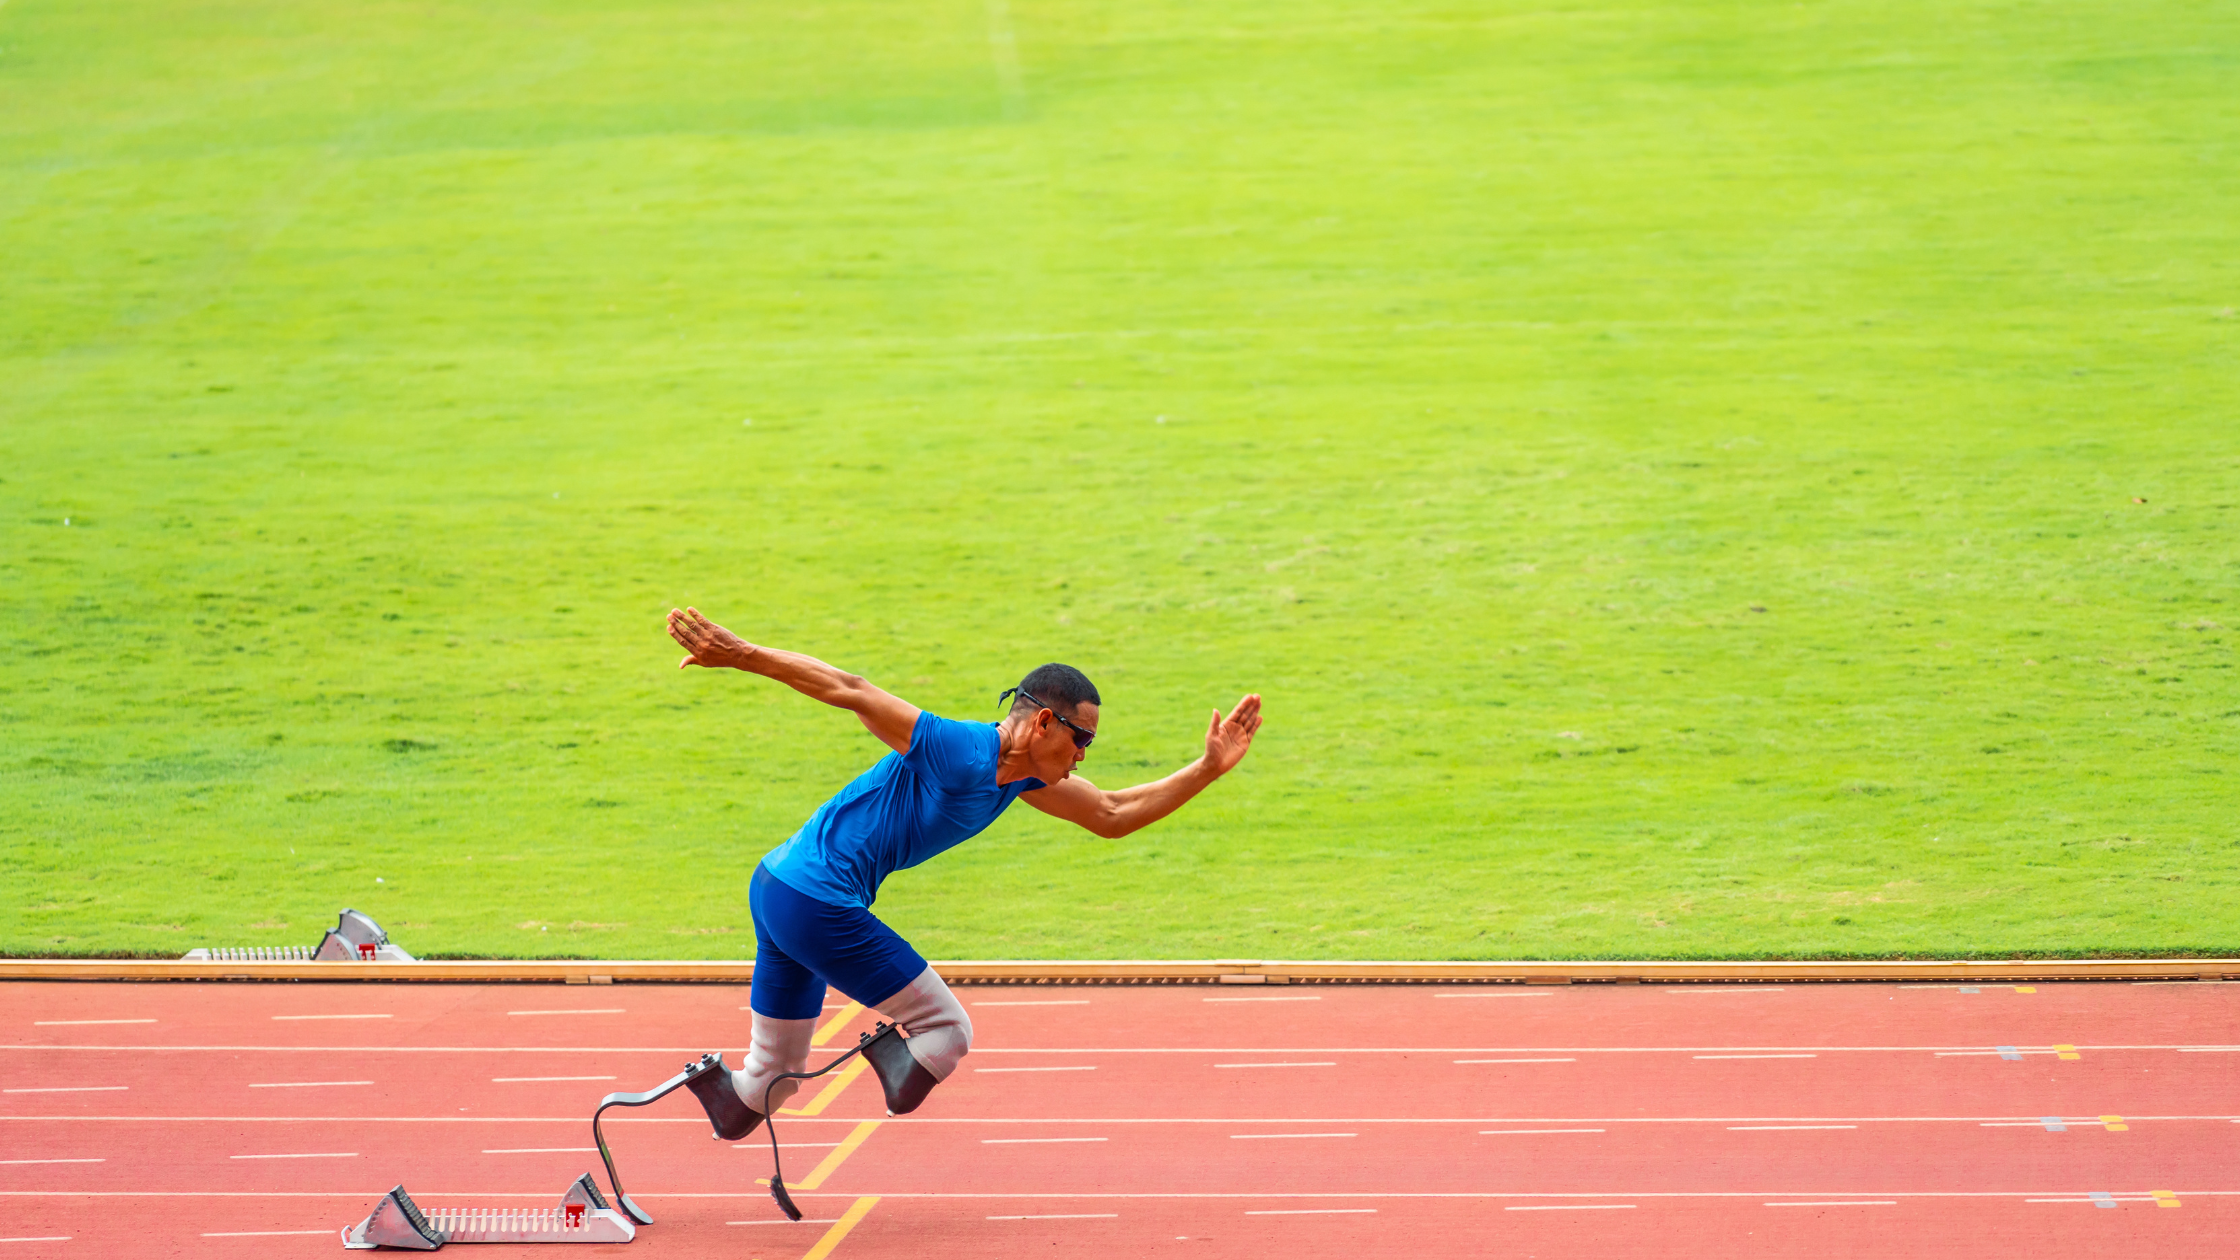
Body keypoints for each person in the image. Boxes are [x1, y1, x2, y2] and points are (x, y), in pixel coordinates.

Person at [662, 607, 1264, 1134]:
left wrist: (1207, 769)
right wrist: (741, 655)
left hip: (776, 888)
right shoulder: (958, 749)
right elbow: (850, 687)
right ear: (1044, 722)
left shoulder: (1024, 779)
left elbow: (1111, 813)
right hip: (817, 902)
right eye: (1081, 739)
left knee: (771, 1083)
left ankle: (699, 1096)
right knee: (947, 1032)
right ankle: (890, 1059)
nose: (1083, 755)